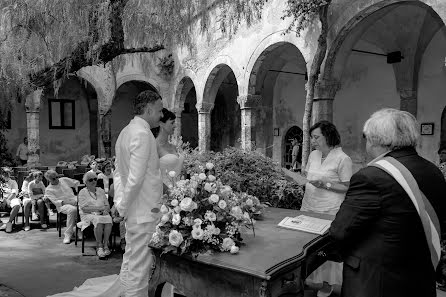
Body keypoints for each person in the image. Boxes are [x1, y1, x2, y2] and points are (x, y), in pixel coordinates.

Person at [329, 108, 446, 297]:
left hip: (377, 281)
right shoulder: (433, 171)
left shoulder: (370, 176)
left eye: (366, 138)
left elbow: (341, 232)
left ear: (377, 140)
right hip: (420, 276)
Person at [288, 121, 352, 297]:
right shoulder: (313, 155)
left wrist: (326, 184)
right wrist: (297, 178)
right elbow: (307, 176)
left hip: (329, 209)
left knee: (324, 249)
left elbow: (347, 186)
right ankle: (305, 280)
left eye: (316, 137)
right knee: (305, 246)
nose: (313, 141)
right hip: (309, 204)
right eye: (312, 137)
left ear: (328, 136)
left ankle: (326, 284)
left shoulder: (343, 159)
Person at [77, 171, 113, 259]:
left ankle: (105, 245)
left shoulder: (100, 190)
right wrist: (99, 209)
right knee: (98, 220)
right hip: (87, 214)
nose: (93, 181)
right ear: (85, 183)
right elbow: (84, 208)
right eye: (90, 180)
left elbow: (107, 205)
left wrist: (106, 210)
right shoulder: (82, 192)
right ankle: (99, 246)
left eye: (95, 179)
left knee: (108, 218)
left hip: (101, 213)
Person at [44, 170, 79, 244]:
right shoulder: (48, 190)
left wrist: (77, 192)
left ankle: (79, 229)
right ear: (48, 179)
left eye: (57, 177)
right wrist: (71, 202)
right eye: (53, 179)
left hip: (74, 200)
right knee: (72, 210)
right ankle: (68, 234)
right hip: (63, 206)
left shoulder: (63, 180)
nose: (56, 179)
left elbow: (76, 182)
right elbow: (57, 202)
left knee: (85, 205)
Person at [152, 108, 185, 187]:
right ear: (161, 124)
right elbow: (151, 175)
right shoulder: (154, 146)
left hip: (180, 192)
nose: (175, 126)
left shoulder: (174, 146)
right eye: (172, 123)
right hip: (163, 193)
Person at [0, 167, 21, 233]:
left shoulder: (13, 182)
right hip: (1, 199)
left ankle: (9, 223)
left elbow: (14, 193)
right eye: (4, 173)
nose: (6, 174)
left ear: (10, 174)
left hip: (11, 199)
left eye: (7, 173)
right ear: (1, 174)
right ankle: (1, 223)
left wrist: (6, 200)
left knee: (17, 205)